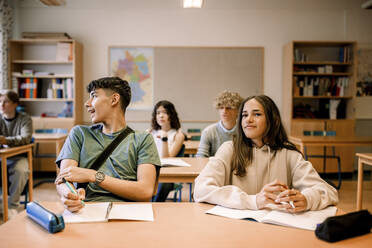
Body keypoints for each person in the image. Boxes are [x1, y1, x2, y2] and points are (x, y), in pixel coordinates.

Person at [194, 95, 338, 212]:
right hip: (236, 228)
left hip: (276, 228)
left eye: (256, 114)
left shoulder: (288, 153)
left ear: (272, 120)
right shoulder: (229, 149)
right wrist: (253, 201)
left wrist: (307, 199)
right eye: (244, 115)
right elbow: (200, 189)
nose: (248, 120)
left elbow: (328, 192)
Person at [55, 77, 160, 212]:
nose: (87, 104)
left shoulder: (143, 139)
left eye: (94, 96)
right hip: (85, 209)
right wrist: (68, 195)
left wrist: (94, 175)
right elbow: (63, 179)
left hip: (128, 212)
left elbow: (145, 191)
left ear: (114, 99)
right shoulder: (79, 133)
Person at [0, 90, 33, 218]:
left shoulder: (24, 119)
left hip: (19, 157)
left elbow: (25, 138)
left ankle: (12, 206)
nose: (2, 105)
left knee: (21, 170)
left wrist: (6, 140)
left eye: (6, 101)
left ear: (15, 104)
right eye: (0, 102)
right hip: (2, 158)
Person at [149, 100, 185, 201]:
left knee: (163, 184)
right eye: (158, 113)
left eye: (164, 112)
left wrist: (164, 139)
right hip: (151, 171)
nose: (161, 116)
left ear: (171, 115)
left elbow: (168, 159)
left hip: (168, 175)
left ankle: (154, 208)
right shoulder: (151, 133)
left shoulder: (178, 135)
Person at [196, 90, 243, 158]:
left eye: (228, 108)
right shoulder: (208, 131)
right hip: (215, 167)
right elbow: (201, 156)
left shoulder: (244, 131)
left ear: (238, 110)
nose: (224, 111)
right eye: (221, 108)